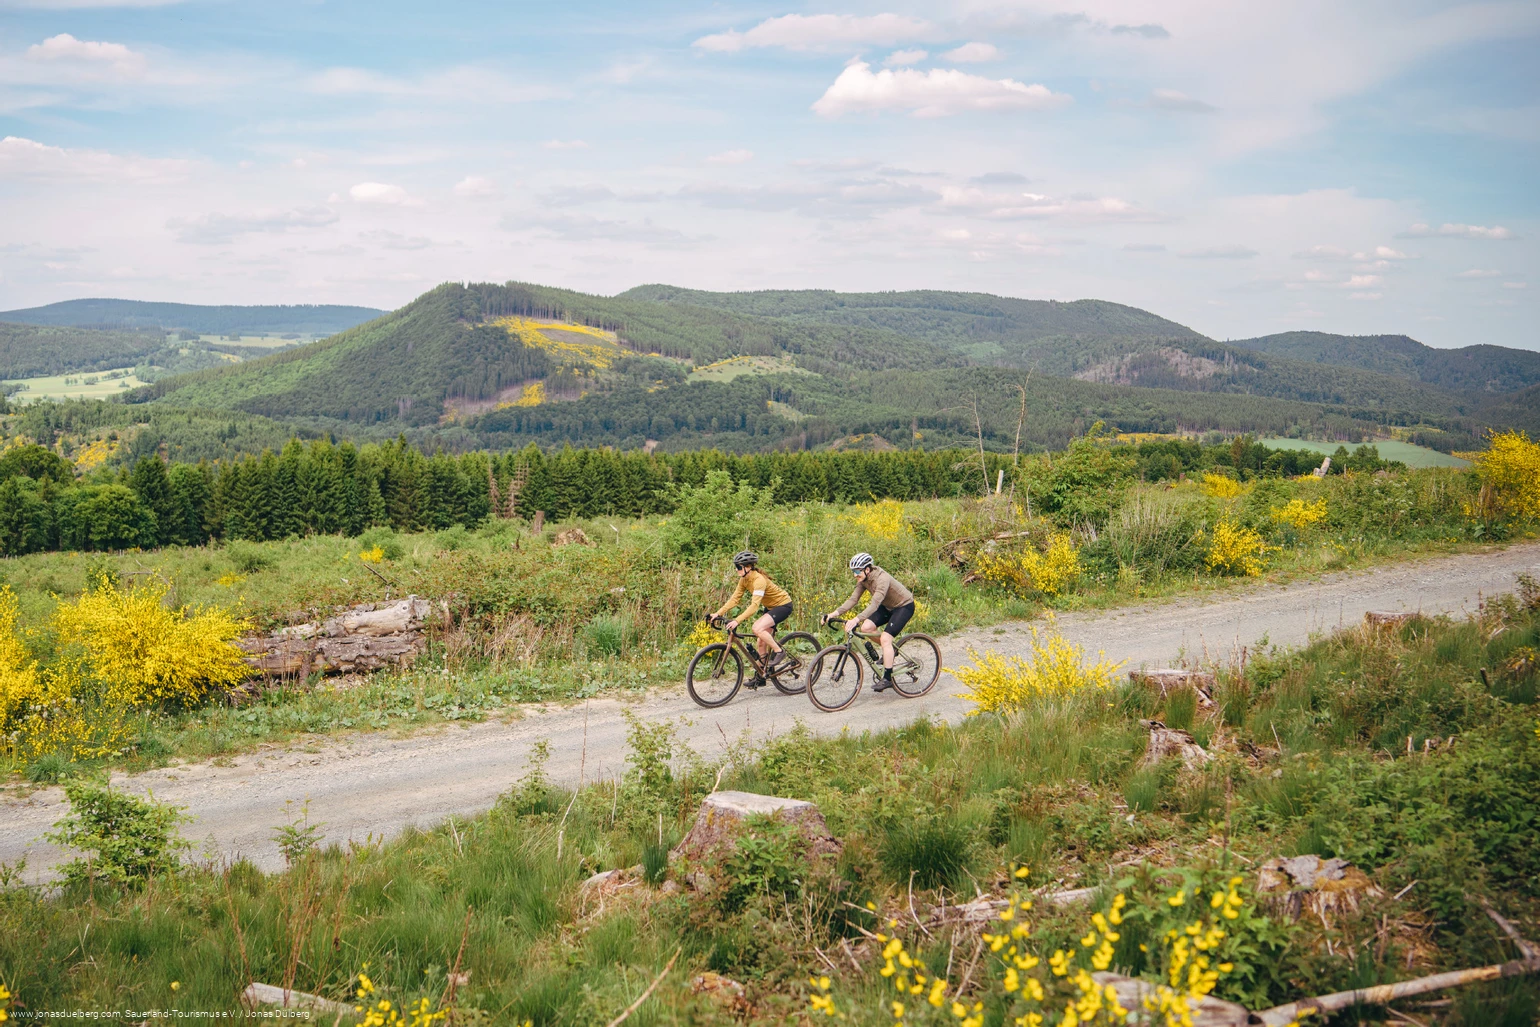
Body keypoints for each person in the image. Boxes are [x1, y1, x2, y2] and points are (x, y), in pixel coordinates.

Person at [823, 552, 915, 692]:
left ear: (867, 569)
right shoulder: (863, 580)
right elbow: (853, 600)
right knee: (866, 628)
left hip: (903, 606)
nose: (854, 575)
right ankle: (890, 650)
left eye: (857, 571)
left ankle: (887, 678)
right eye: (853, 571)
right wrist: (832, 614)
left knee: (885, 638)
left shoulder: (882, 579)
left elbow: (874, 605)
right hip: (887, 607)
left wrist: (855, 619)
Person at [710, 549, 793, 688]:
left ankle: (779, 651)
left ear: (747, 567)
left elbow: (754, 606)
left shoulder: (759, 580)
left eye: (738, 567)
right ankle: (761, 676)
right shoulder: (744, 579)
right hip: (770, 607)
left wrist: (737, 620)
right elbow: (735, 599)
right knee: (761, 642)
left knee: (757, 628)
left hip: (783, 605)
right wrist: (718, 613)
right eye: (735, 567)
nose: (736, 570)